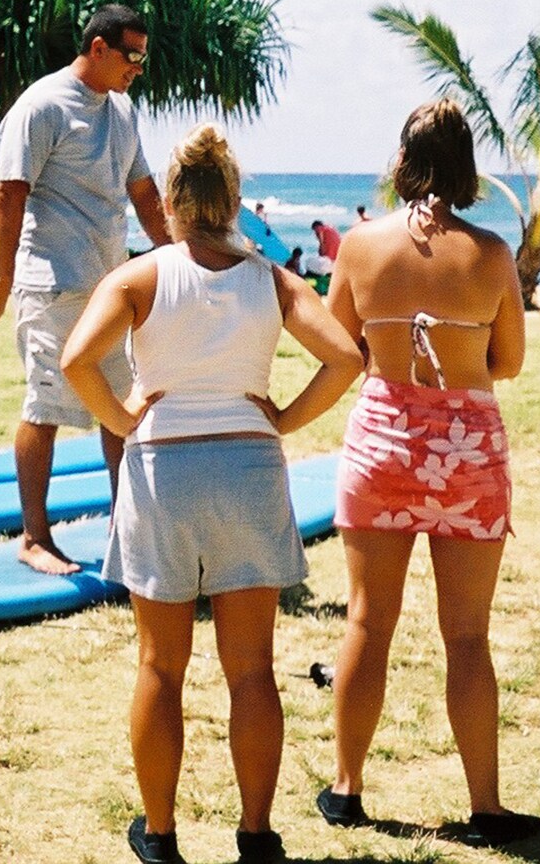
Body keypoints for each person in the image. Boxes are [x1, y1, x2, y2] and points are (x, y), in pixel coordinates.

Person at [62, 125, 363, 864]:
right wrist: (282, 417)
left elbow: (76, 361)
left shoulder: (139, 278)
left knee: (160, 666)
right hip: (249, 470)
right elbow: (345, 357)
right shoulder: (271, 279)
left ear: (169, 203)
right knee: (252, 669)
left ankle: (161, 835)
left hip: (164, 471)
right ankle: (256, 835)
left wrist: (125, 420)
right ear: (234, 204)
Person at [315, 100, 540, 846]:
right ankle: (486, 807)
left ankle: (346, 789)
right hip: (468, 452)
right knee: (468, 636)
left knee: (366, 622)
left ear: (403, 161)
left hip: (382, 443)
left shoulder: (360, 246)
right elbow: (508, 361)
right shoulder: (492, 253)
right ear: (467, 165)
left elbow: (338, 347)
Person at [0, 4, 171, 575]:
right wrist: (3, 280)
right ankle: (34, 537)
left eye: (143, 58)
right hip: (51, 285)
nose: (138, 68)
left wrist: (180, 254)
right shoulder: (42, 106)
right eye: (131, 56)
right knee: (45, 408)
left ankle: (124, 525)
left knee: (120, 407)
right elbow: (8, 194)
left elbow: (144, 193)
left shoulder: (123, 111)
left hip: (110, 286)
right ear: (98, 48)